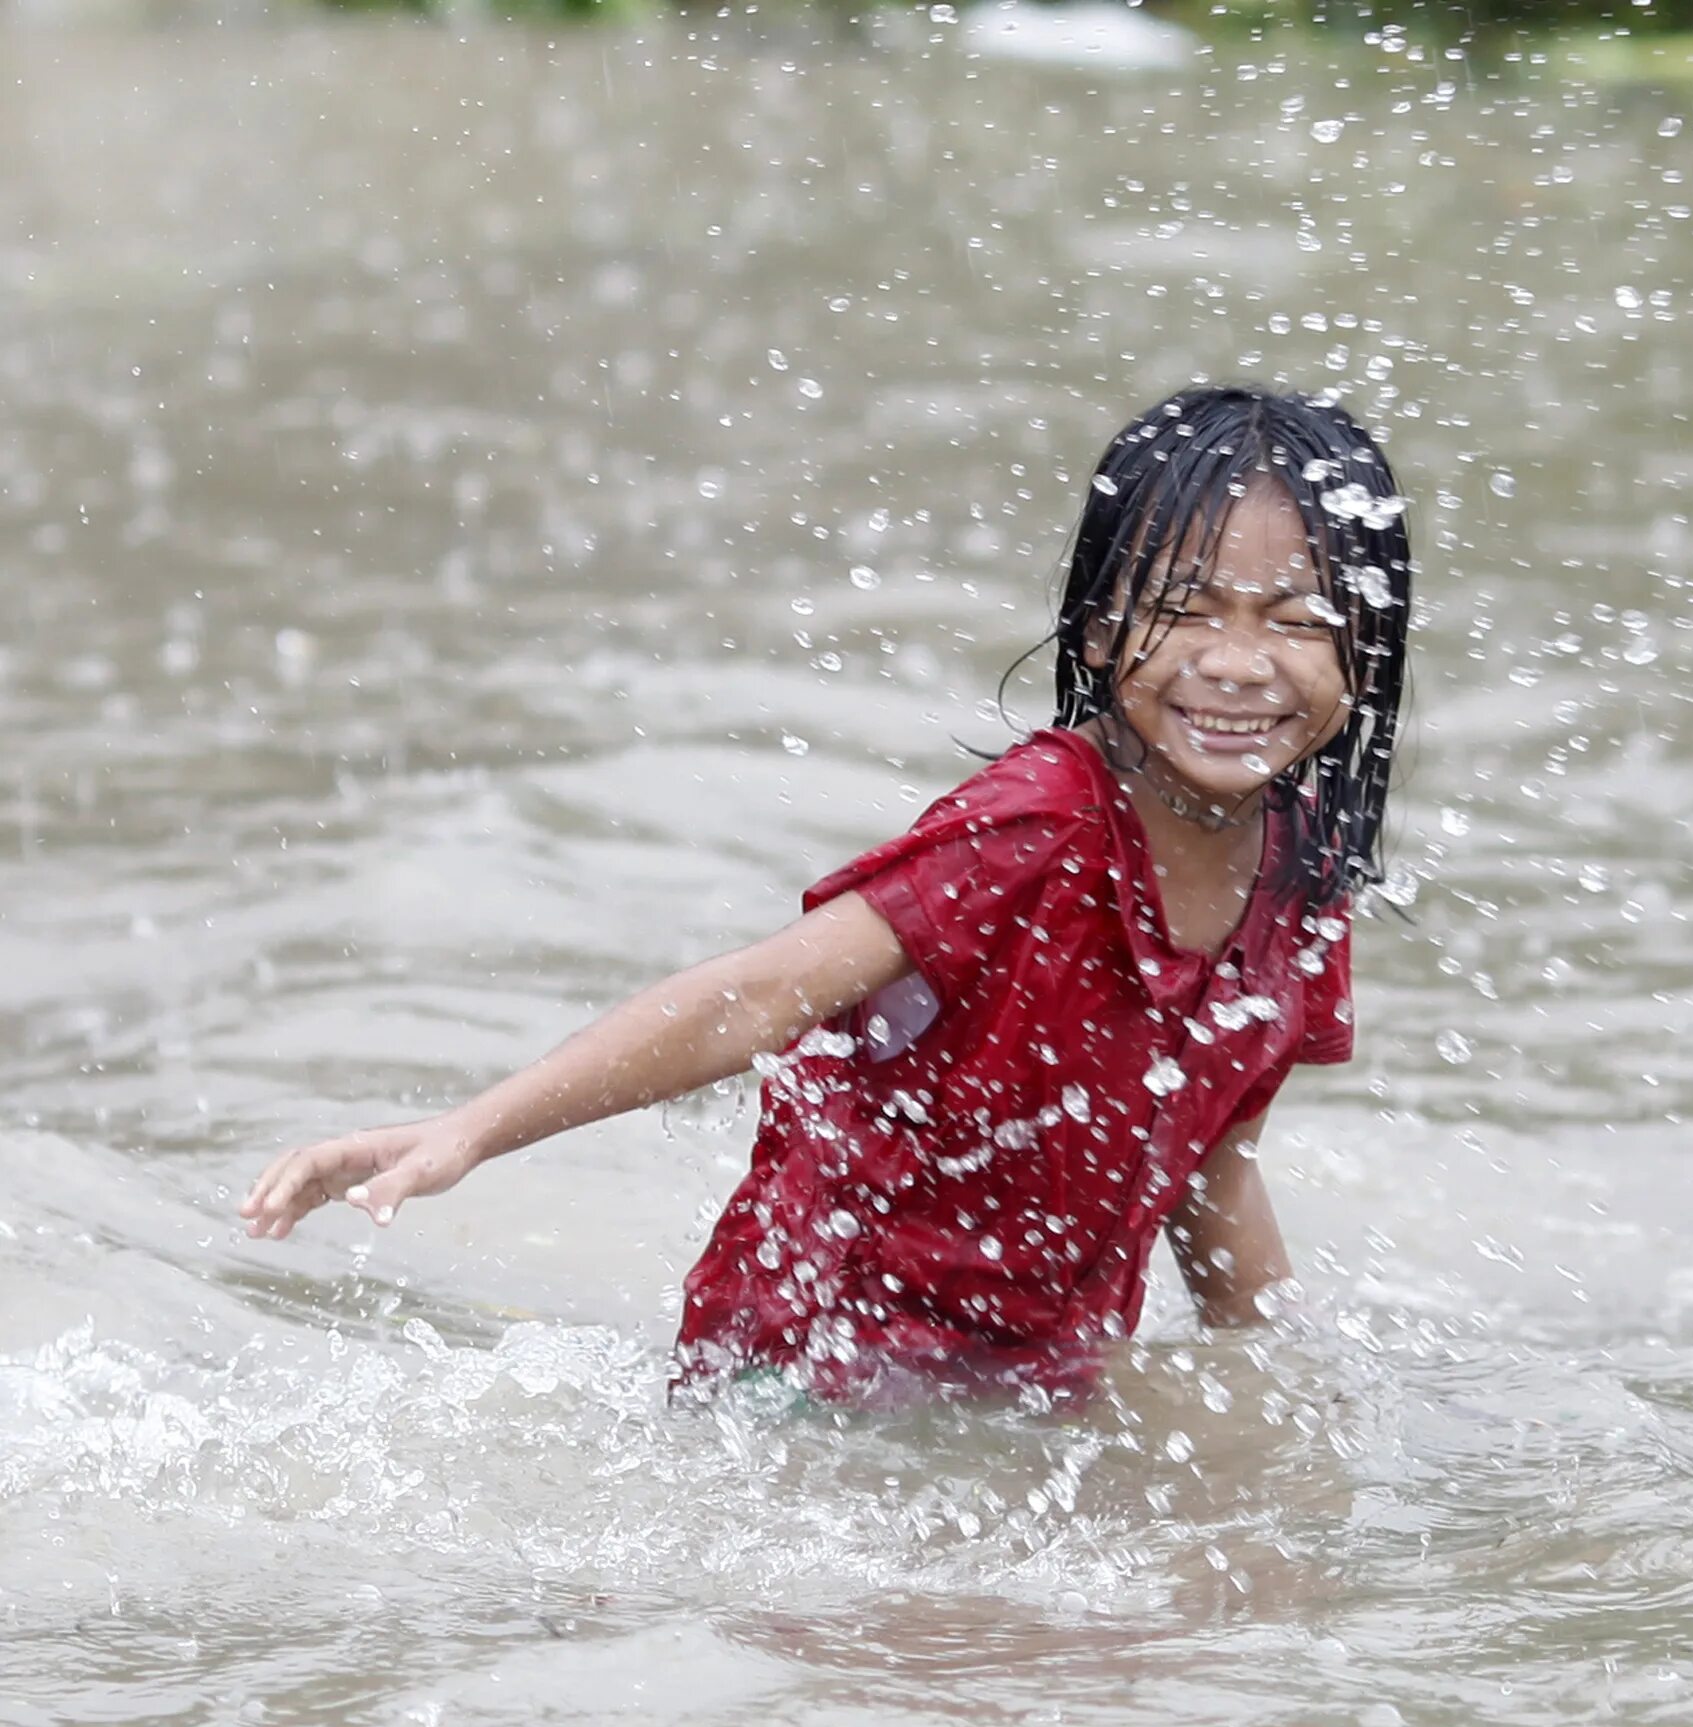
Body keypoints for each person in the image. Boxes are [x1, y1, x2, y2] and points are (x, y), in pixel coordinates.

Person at [239, 386, 1412, 1401]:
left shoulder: (1300, 883)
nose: (1236, 661)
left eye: (1296, 619)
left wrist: (1292, 1389)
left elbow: (1211, 1167)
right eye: (1186, 608)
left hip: (1034, 1392)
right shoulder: (1037, 826)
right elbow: (756, 997)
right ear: (1101, 632)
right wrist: (469, 1133)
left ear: (1364, 655)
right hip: (809, 1376)